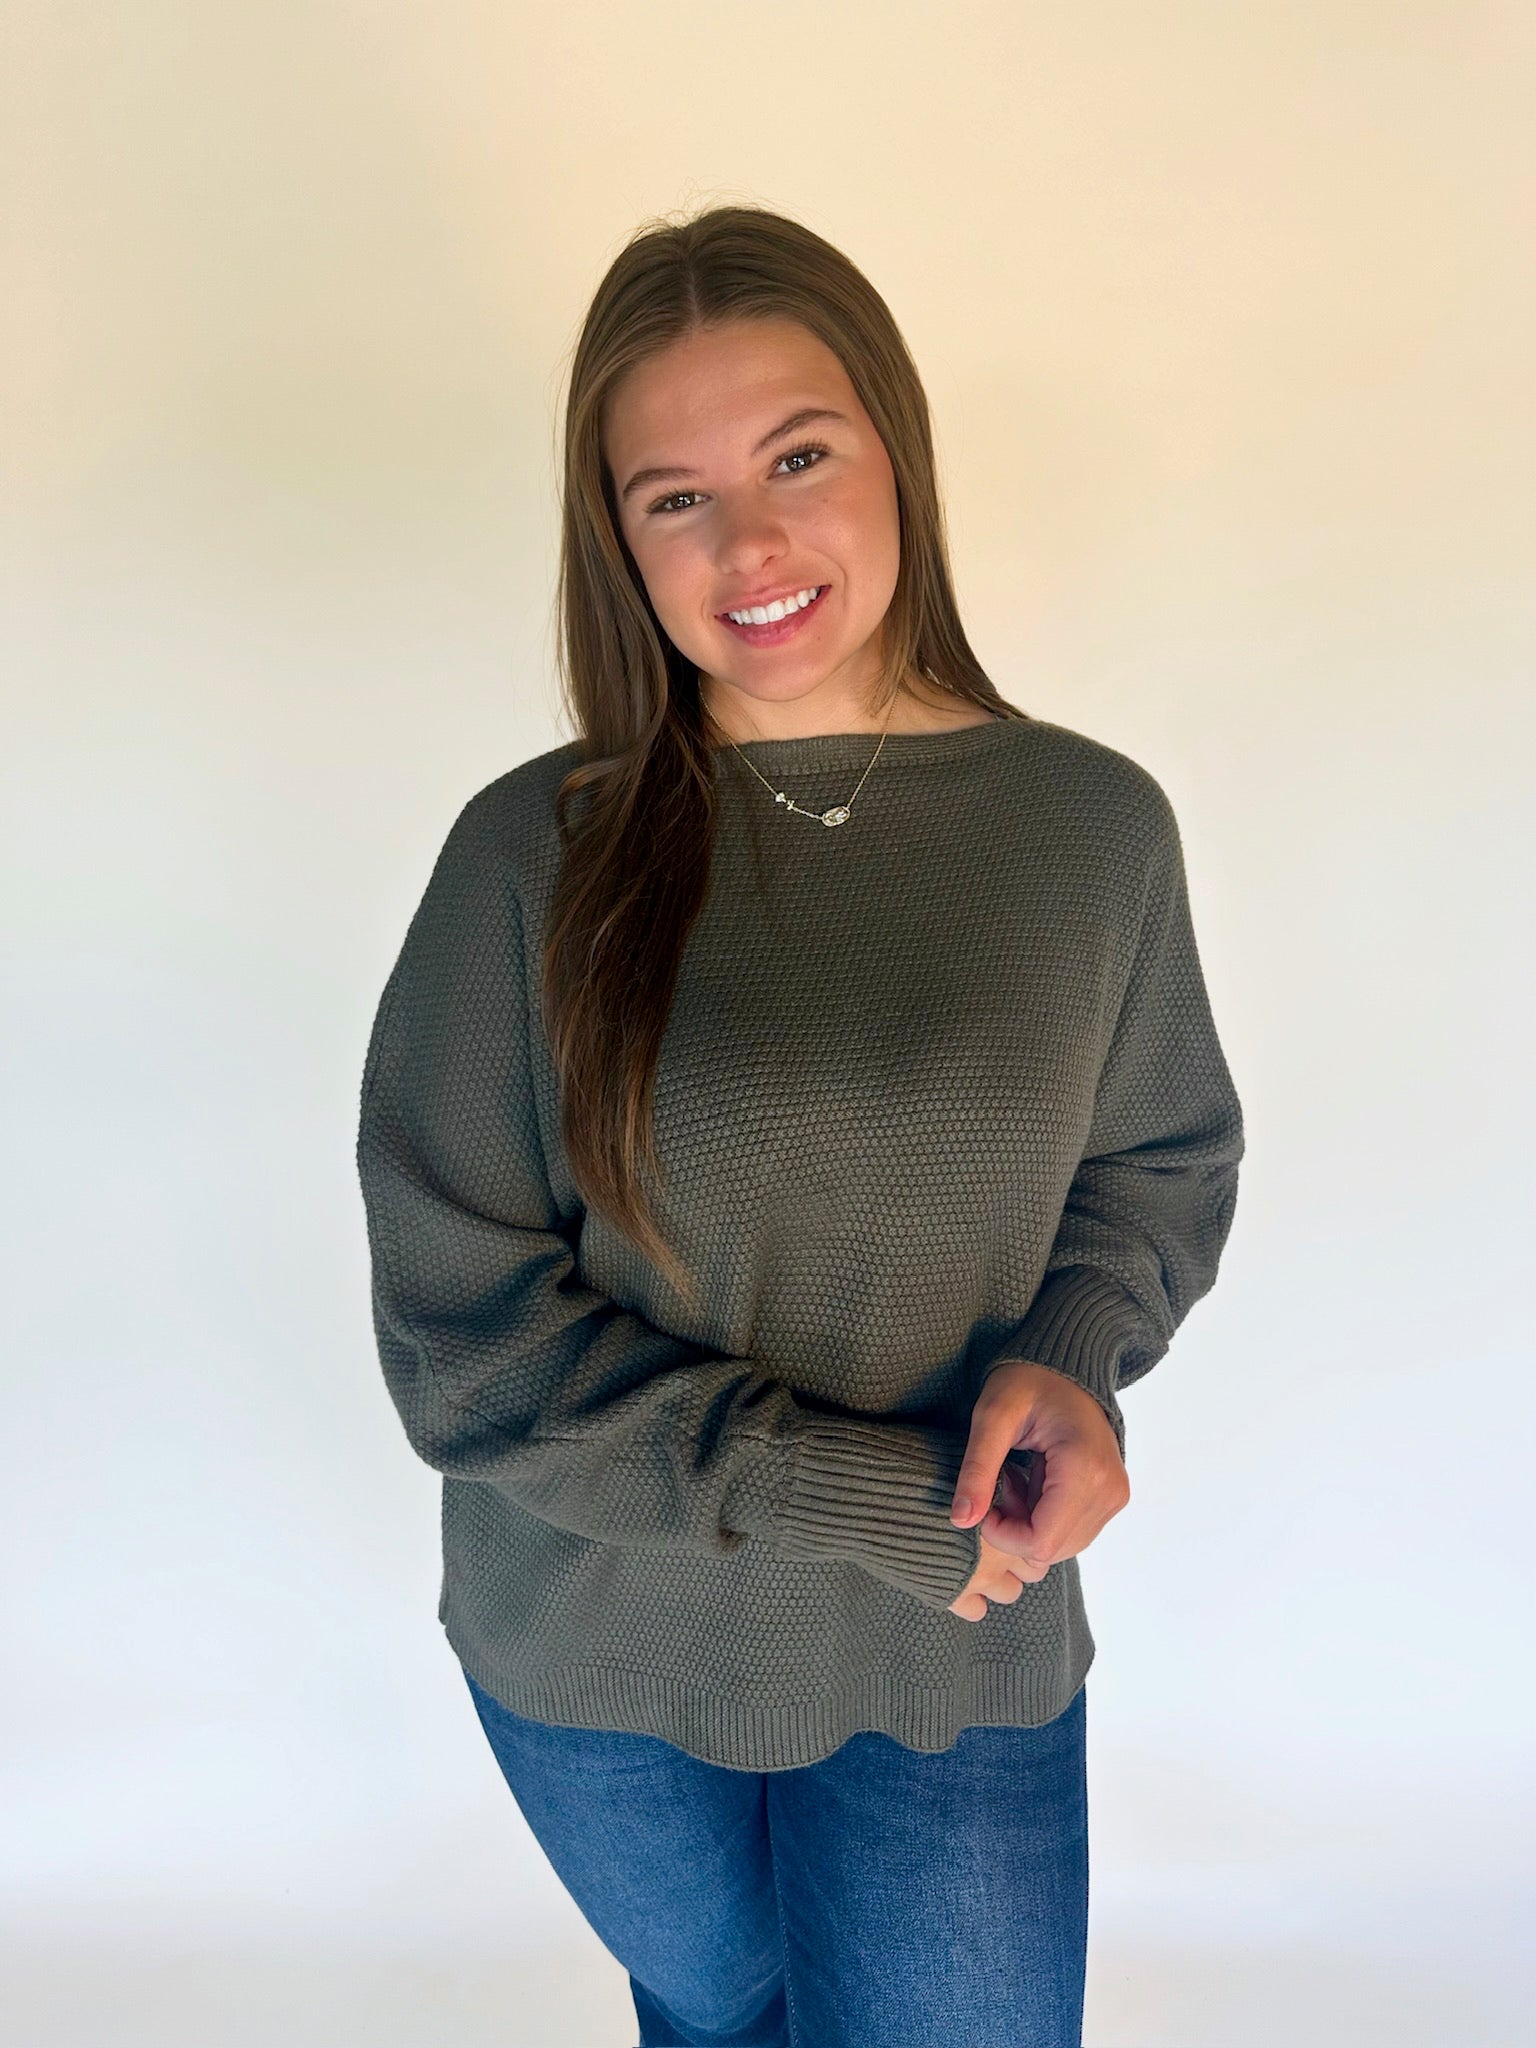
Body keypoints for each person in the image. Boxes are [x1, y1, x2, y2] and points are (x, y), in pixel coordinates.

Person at [355, 203, 1245, 2048]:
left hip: (958, 1633)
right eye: (674, 495)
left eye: (800, 457)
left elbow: (1155, 1167)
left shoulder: (1090, 831)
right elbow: (462, 1337)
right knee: (721, 2020)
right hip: (602, 1651)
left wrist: (1076, 1354)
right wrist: (859, 1494)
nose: (749, 544)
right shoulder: (531, 856)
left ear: (895, 451)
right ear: (617, 542)